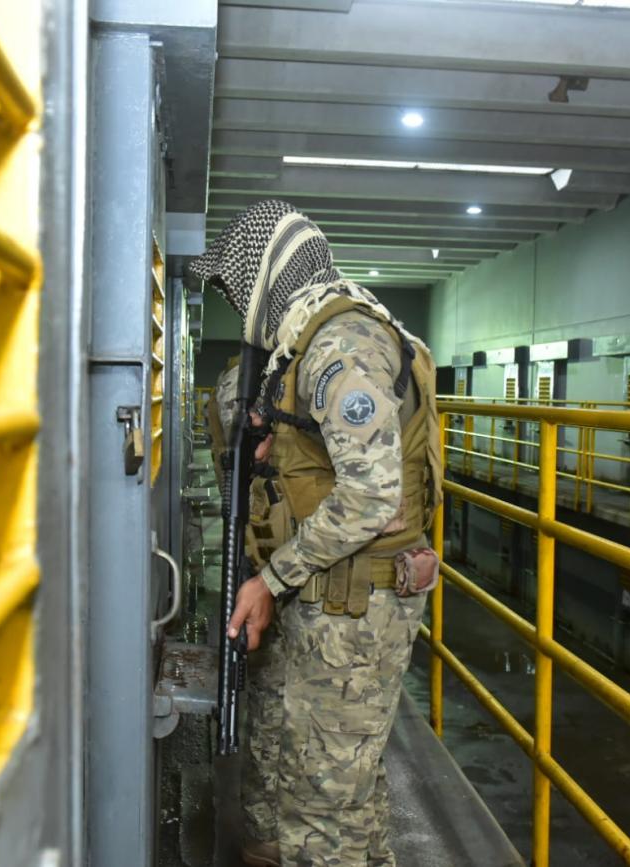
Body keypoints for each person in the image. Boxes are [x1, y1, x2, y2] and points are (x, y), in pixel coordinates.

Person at [189, 200, 443, 867]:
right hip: (339, 595)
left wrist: (272, 579)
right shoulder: (314, 340)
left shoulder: (340, 343)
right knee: (342, 797)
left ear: (268, 272)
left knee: (322, 816)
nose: (238, 298)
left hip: (355, 604)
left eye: (239, 284)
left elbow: (370, 493)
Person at [210, 362, 290, 867]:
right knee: (272, 696)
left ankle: (267, 830)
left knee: (273, 697)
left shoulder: (245, 377)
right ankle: (265, 832)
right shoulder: (257, 380)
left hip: (271, 551)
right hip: (271, 557)